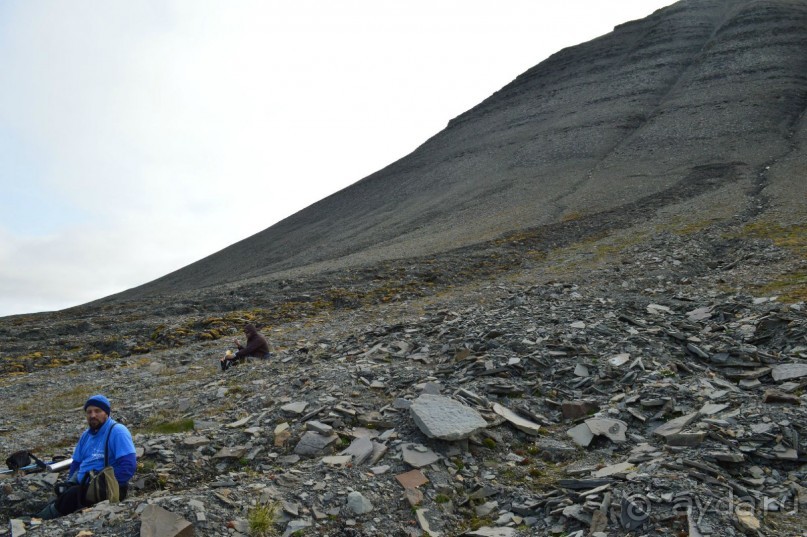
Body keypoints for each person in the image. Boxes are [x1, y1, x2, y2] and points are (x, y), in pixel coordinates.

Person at [37, 394, 137, 519]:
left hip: (107, 488)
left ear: (106, 413)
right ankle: (41, 516)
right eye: (89, 412)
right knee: (62, 490)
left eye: (97, 411)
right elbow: (76, 463)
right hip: (85, 486)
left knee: (72, 495)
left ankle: (38, 520)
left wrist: (103, 486)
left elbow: (128, 465)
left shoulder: (117, 431)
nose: (92, 415)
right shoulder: (86, 435)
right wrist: (70, 482)